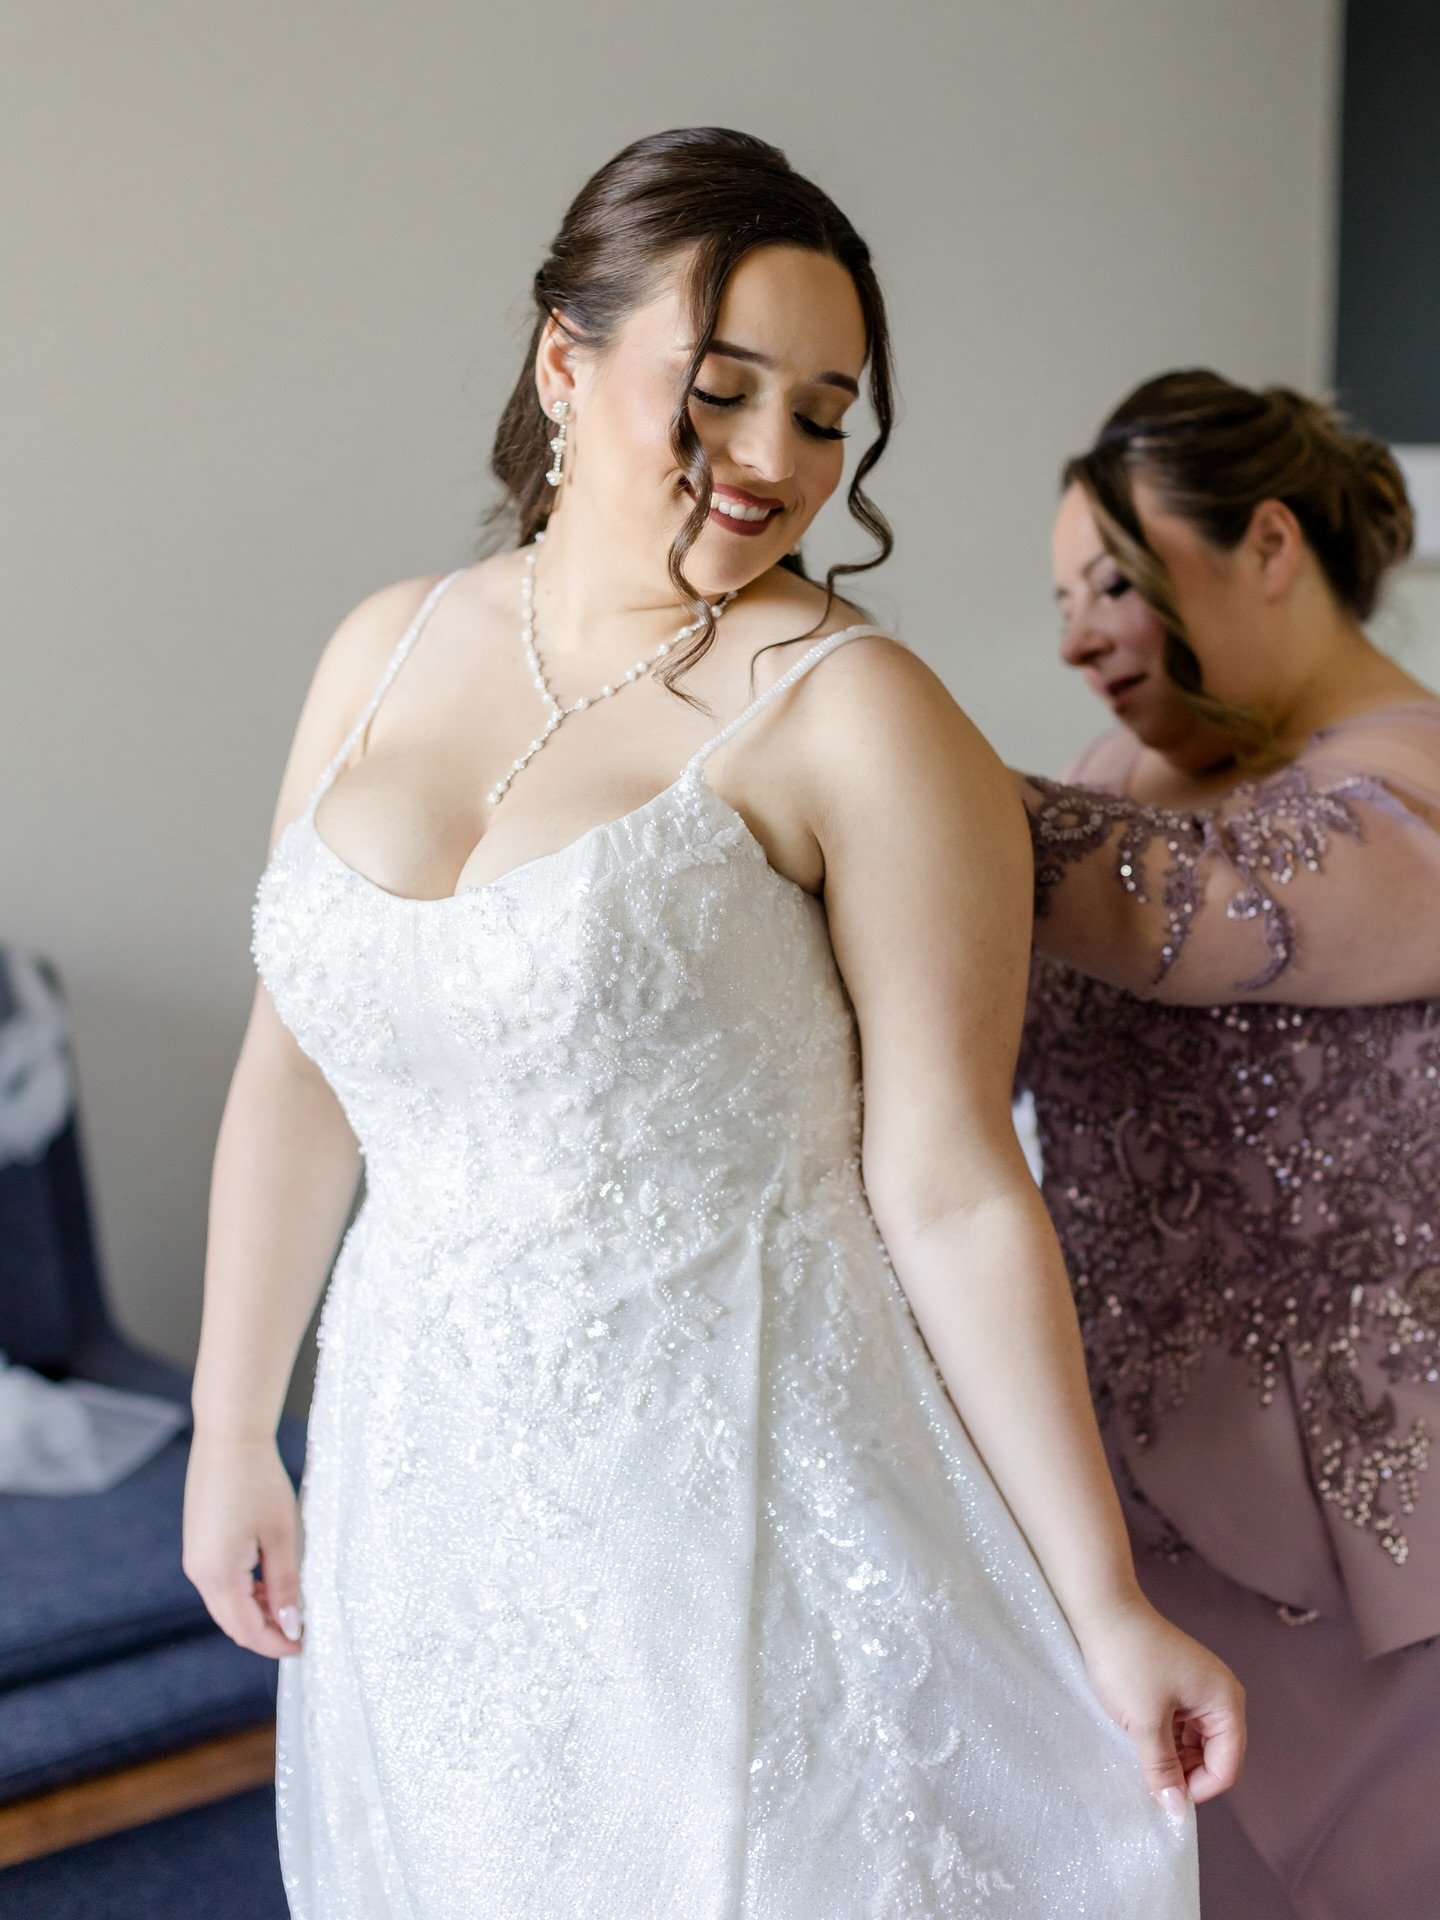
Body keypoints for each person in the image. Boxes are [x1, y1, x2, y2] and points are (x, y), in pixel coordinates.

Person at [182, 131, 1239, 1917]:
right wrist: (230, 1427)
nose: (774, 461)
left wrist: (1105, 1598)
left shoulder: (851, 715)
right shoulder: (381, 647)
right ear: (564, 363)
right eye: (725, 389)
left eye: (825, 414)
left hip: (727, 1492)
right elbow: (300, 1066)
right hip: (420, 1471)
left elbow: (956, 1185)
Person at [1017, 368, 1440, 1919]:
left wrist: (870, 761)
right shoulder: (1103, 785)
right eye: (1061, 599)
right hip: (1117, 1523)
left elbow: (1189, 905)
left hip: (1369, 1567)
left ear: (1270, 542)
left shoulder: (1417, 777)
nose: (1076, 638)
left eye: (1113, 583)